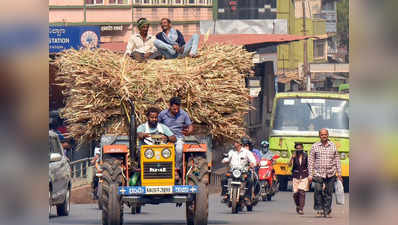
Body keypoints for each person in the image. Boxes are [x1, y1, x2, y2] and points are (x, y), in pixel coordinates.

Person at [308, 128, 342, 218]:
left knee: (328, 192)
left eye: (325, 134)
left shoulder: (333, 146)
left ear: (328, 135)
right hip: (318, 173)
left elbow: (337, 160)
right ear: (319, 136)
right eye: (322, 135)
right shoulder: (315, 146)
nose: (324, 136)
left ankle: (327, 211)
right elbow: (311, 161)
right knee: (318, 190)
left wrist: (339, 173)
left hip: (331, 173)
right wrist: (310, 175)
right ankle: (319, 209)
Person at [158, 97, 193, 170]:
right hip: (165, 138)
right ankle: (162, 168)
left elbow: (190, 126)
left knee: (179, 149)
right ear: (170, 106)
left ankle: (177, 168)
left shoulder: (183, 114)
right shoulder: (162, 114)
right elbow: (157, 125)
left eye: (178, 109)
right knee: (160, 150)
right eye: (174, 109)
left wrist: (189, 131)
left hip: (178, 138)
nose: (176, 111)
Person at [220, 138, 257, 203]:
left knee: (250, 181)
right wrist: (224, 160)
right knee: (223, 178)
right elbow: (227, 158)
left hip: (243, 172)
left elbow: (253, 160)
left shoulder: (246, 152)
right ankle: (225, 194)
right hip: (233, 171)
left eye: (236, 142)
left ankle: (247, 197)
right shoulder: (231, 152)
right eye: (234, 143)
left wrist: (252, 163)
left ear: (240, 144)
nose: (235, 144)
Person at [288, 143, 309, 215]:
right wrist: (292, 158)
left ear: (302, 148)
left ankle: (301, 209)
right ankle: (297, 205)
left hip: (304, 175)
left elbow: (308, 165)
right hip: (296, 176)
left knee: (302, 192)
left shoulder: (306, 155)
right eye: (297, 148)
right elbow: (289, 165)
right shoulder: (294, 155)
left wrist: (310, 175)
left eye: (300, 148)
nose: (299, 149)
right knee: (295, 194)